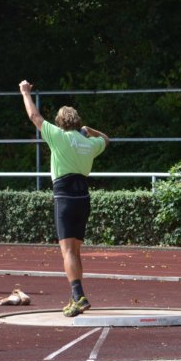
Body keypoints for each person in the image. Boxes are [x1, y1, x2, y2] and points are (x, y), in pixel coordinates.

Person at [19, 80, 109, 317]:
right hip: (83, 197)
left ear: (60, 122)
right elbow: (106, 139)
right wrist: (90, 131)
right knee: (75, 251)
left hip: (65, 196)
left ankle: (78, 296)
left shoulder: (58, 136)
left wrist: (25, 92)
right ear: (78, 122)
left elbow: (34, 116)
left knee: (67, 252)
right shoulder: (89, 142)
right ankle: (75, 296)